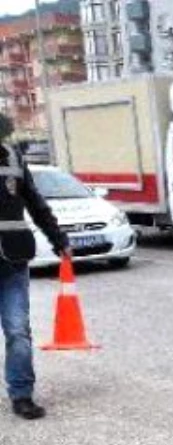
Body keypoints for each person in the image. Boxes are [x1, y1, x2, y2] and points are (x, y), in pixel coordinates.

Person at [0, 117, 71, 420]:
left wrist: (59, 239)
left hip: (12, 260)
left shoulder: (14, 158)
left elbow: (36, 203)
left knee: (18, 330)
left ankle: (21, 394)